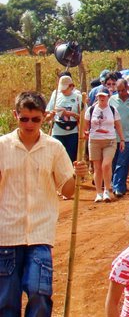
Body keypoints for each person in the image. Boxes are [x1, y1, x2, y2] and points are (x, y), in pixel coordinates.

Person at [0, 91, 88, 316]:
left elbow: (67, 191)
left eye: (36, 119)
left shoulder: (54, 148)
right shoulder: (2, 146)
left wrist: (78, 177)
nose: (30, 124)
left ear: (45, 117)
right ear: (15, 116)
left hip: (40, 235)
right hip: (6, 235)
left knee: (39, 294)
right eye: (24, 119)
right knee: (6, 302)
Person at [86, 88, 125, 202]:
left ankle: (107, 190)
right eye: (99, 96)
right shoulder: (91, 110)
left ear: (108, 97)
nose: (102, 98)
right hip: (94, 140)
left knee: (106, 165)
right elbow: (85, 125)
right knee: (97, 167)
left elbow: (118, 125)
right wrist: (85, 132)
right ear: (97, 97)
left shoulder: (113, 110)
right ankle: (98, 192)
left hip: (110, 141)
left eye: (104, 96)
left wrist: (122, 140)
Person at [46, 75, 82, 162]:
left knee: (70, 158)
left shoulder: (77, 97)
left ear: (71, 86)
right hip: (58, 130)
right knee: (56, 157)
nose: (63, 90)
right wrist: (52, 116)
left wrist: (72, 114)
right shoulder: (55, 96)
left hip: (72, 131)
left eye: (65, 88)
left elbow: (84, 116)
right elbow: (48, 112)